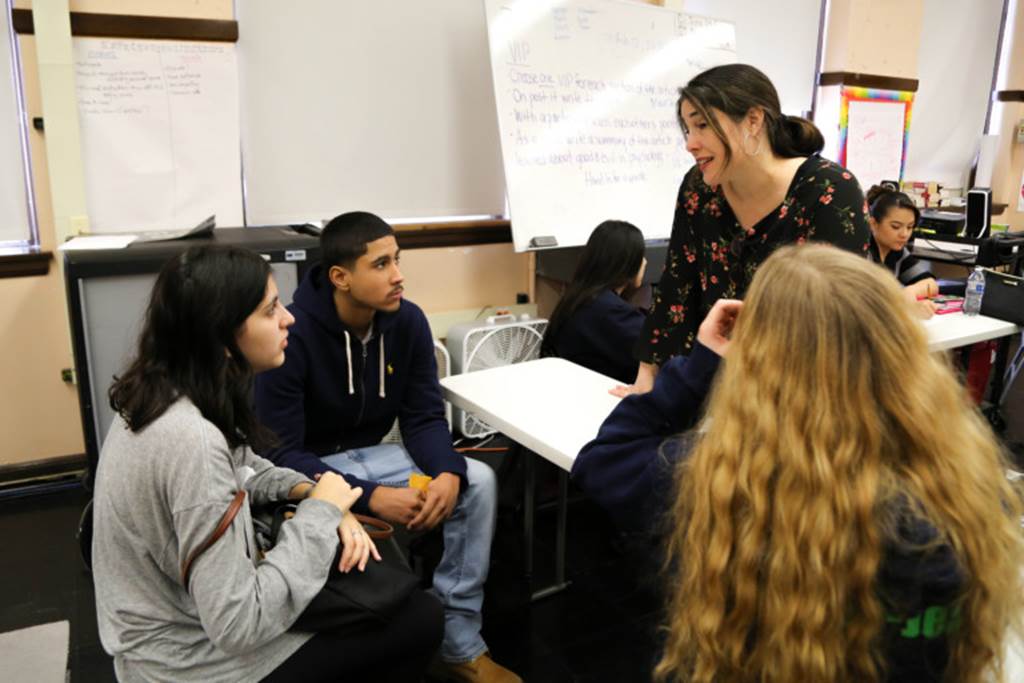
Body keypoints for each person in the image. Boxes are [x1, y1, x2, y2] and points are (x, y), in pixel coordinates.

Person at [574, 245, 1024, 682]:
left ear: (760, 360)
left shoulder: (715, 480)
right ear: (901, 351)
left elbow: (604, 460)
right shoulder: (968, 492)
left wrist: (702, 363)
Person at [92, 245, 443, 683]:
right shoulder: (190, 441)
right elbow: (239, 624)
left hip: (167, 632)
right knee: (418, 620)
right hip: (187, 663)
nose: (287, 318)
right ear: (221, 337)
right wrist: (323, 514)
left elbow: (245, 465)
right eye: (269, 309)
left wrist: (311, 490)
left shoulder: (157, 393)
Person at [254, 212, 519, 683]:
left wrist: (447, 472)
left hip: (375, 458)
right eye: (380, 265)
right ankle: (387, 633)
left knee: (476, 480)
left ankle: (460, 645)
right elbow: (281, 456)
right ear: (340, 277)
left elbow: (422, 416)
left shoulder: (408, 323)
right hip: (312, 472)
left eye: (397, 260)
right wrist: (372, 496)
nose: (398, 275)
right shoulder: (291, 337)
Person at [620, 63, 870, 396]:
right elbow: (677, 284)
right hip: (708, 384)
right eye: (687, 129)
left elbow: (839, 315)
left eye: (702, 126)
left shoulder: (828, 190)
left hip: (796, 394)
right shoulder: (700, 189)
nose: (690, 144)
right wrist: (647, 378)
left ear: (753, 121)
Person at [540, 219, 648, 383]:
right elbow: (656, 345)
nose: (645, 262)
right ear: (628, 263)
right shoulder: (610, 311)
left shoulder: (580, 297)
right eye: (641, 256)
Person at [866, 183, 939, 317]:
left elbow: (931, 284)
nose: (904, 234)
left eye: (910, 227)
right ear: (873, 224)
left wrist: (911, 291)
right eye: (895, 227)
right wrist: (905, 305)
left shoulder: (897, 251)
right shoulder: (862, 252)